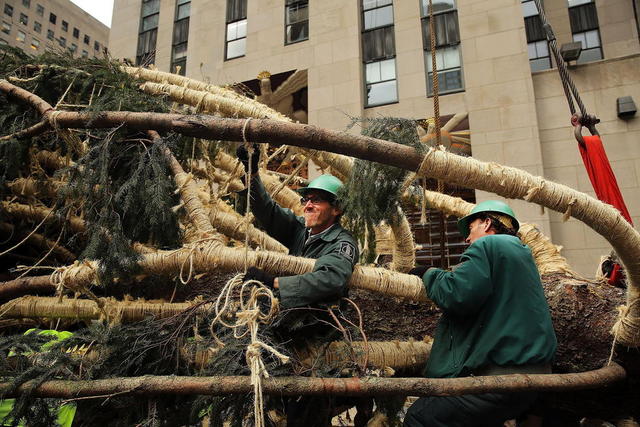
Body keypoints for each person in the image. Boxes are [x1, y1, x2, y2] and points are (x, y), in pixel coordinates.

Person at [236, 145, 359, 426]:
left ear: (337, 209)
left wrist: (274, 282)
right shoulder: (300, 231)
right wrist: (252, 172)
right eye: (307, 199)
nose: (308, 204)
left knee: (304, 413)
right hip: (289, 323)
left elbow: (331, 278)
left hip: (318, 330)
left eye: (317, 200)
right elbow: (267, 211)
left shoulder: (342, 243)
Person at [404, 200, 557, 427]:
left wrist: (430, 273)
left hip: (502, 379)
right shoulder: (523, 257)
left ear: (487, 223)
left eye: (471, 228)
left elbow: (457, 294)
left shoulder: (489, 245)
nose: (467, 238)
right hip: (536, 379)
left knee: (420, 417)